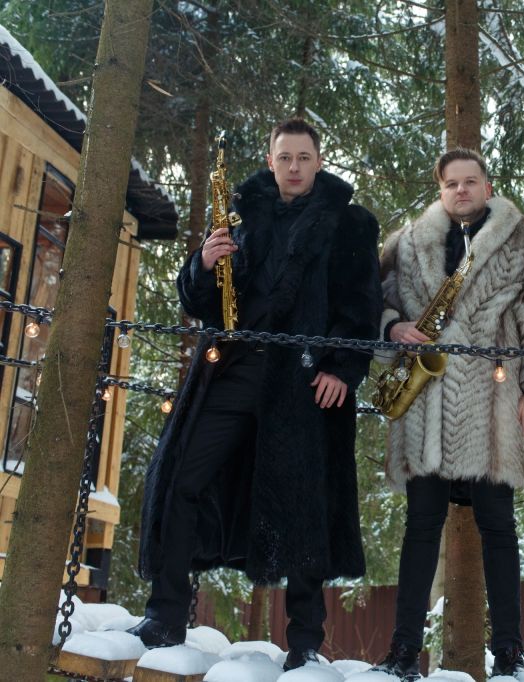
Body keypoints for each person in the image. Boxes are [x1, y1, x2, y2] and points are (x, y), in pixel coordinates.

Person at [132, 118, 383, 671]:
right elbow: (203, 303)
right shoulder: (242, 218)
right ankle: (166, 615)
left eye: (303, 157)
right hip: (235, 370)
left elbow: (362, 305)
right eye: (284, 157)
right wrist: (203, 264)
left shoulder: (351, 223)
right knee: (182, 480)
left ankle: (305, 643)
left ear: (319, 161)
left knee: (306, 507)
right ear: (271, 161)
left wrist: (343, 368)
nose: (294, 166)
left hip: (304, 380)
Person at [371, 148, 524, 681]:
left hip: (494, 402)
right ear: (440, 189)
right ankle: (403, 653)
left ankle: (509, 654)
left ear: (487, 185)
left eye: (470, 181)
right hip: (425, 402)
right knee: (420, 528)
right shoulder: (405, 244)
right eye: (451, 183)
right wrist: (392, 328)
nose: (461, 190)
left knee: (499, 528)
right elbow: (376, 303)